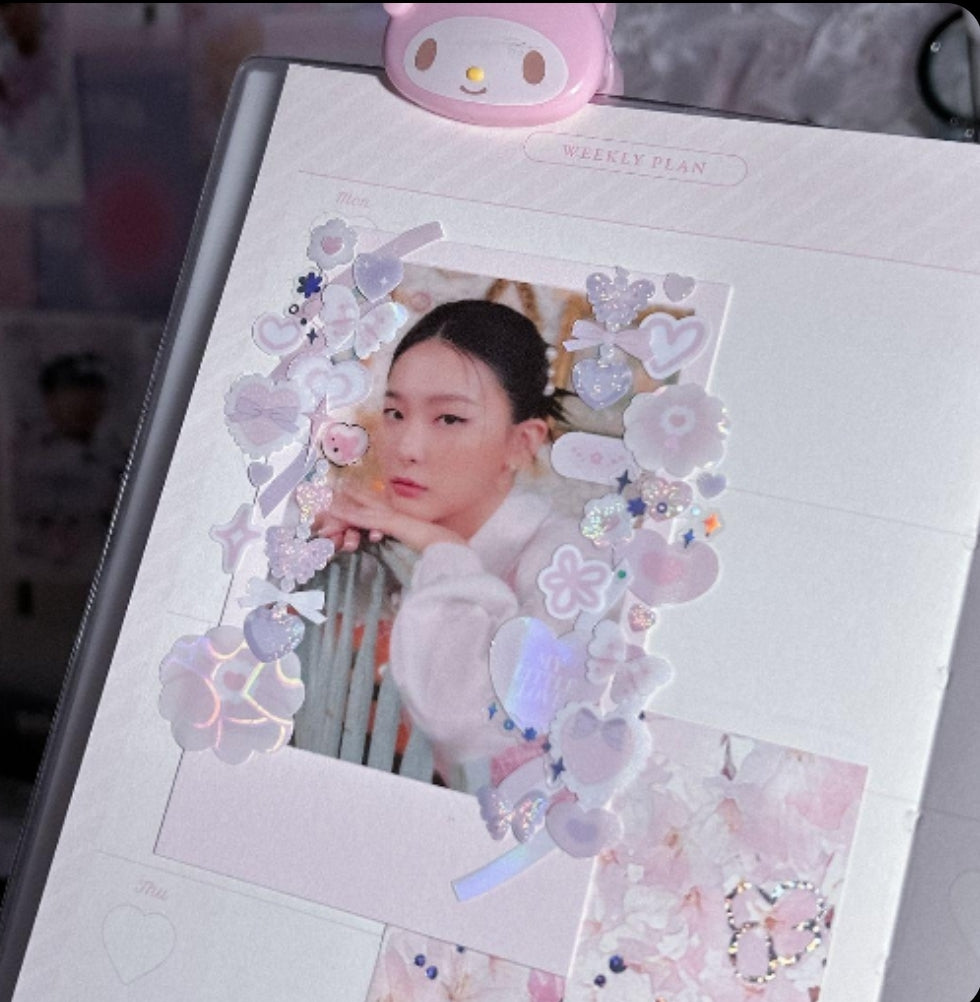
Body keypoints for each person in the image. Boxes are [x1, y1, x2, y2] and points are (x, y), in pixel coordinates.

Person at [315, 299, 600, 791]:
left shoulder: (567, 563)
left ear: (522, 442)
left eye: (449, 419)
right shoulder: (403, 534)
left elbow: (467, 716)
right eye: (395, 413)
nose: (407, 448)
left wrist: (443, 548)